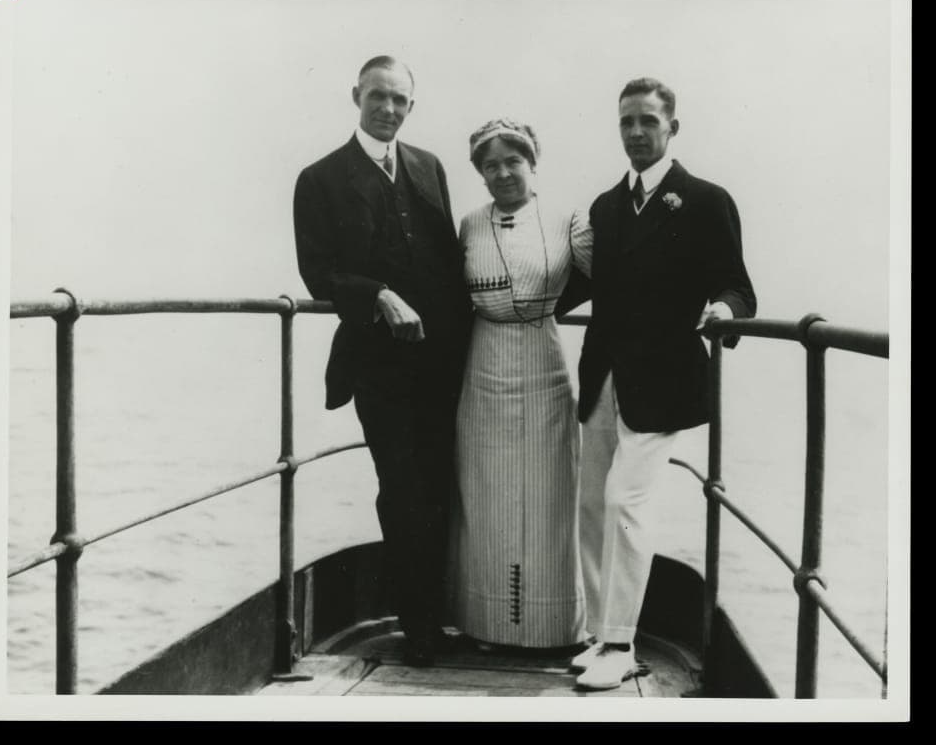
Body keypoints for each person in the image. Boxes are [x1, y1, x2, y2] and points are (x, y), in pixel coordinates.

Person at [564, 78, 757, 690]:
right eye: (627, 122)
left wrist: (725, 312)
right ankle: (599, 633)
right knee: (592, 504)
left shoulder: (704, 199)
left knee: (626, 501)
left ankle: (621, 645)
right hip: (603, 375)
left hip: (664, 379)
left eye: (649, 121)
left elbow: (737, 285)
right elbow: (582, 285)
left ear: (673, 127)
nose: (637, 133)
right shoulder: (605, 206)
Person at [293, 56, 472, 667]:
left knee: (441, 487)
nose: (388, 109)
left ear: (411, 107)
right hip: (378, 367)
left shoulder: (429, 166)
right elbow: (318, 274)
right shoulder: (319, 179)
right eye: (378, 97)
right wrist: (378, 295)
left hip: (444, 362)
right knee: (401, 489)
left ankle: (442, 614)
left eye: (400, 100)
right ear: (356, 96)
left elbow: (449, 262)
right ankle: (417, 626)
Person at [449, 118, 592, 649]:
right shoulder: (468, 224)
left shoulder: (567, 221)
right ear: (480, 173)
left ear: (533, 164)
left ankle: (553, 628)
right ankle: (486, 624)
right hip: (482, 364)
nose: (504, 172)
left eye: (514, 161)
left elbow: (614, 274)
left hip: (544, 362)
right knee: (486, 493)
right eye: (492, 165)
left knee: (550, 494)